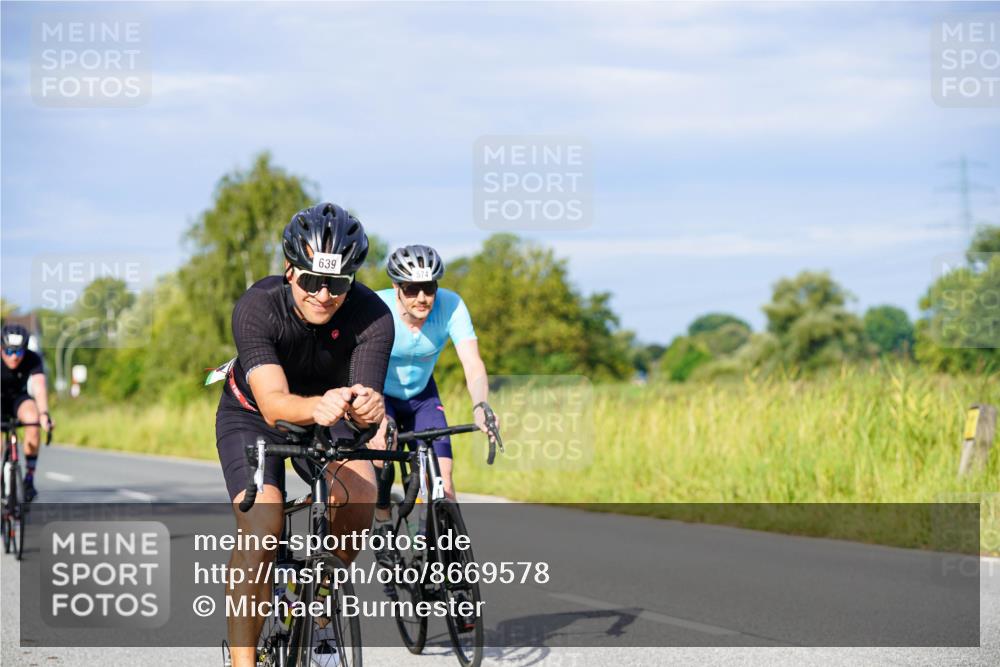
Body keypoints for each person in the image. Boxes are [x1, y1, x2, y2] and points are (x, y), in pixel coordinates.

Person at [214, 202, 394, 667]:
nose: (323, 294)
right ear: (289, 271)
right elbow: (274, 404)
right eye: (312, 280)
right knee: (263, 528)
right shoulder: (258, 307)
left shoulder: (373, 316)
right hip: (254, 413)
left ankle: (320, 618)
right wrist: (321, 406)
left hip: (330, 408)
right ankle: (243, 662)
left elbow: (364, 403)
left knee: (357, 497)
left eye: (336, 284)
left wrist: (371, 411)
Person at [370, 245, 497, 527]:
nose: (422, 298)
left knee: (444, 481)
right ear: (396, 287)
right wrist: (375, 418)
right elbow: (361, 365)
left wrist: (480, 405)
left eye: (429, 288)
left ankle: (437, 546)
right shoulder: (378, 308)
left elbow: (472, 363)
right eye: (412, 289)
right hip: (380, 393)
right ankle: (381, 515)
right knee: (381, 456)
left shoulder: (451, 305)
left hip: (422, 396)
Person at [1, 323, 52, 502]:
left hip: (18, 399)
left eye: (19, 352)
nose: (14, 357)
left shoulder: (33, 359)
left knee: (33, 419)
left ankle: (29, 478)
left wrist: (44, 414)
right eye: (9, 352)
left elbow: (38, 386)